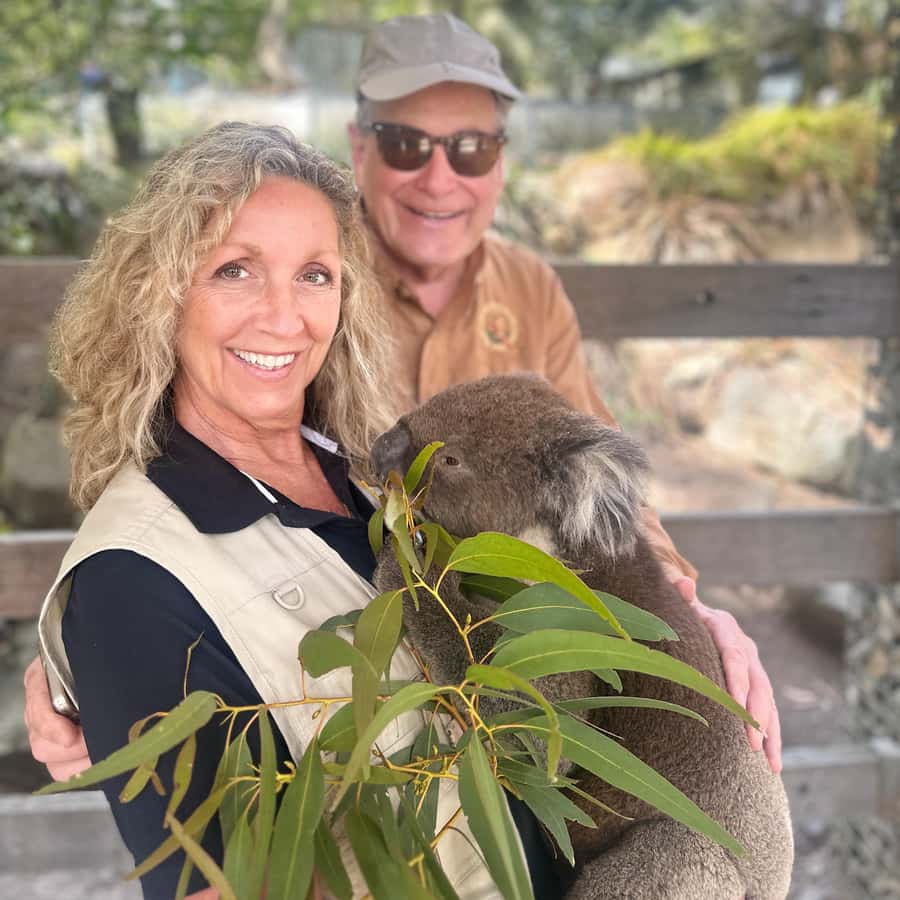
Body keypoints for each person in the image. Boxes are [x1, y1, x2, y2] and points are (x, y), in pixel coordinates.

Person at [27, 5, 779, 826]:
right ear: (360, 150)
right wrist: (95, 665)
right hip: (372, 722)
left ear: (500, 162)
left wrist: (686, 612)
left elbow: (598, 484)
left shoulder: (527, 289)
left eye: (471, 148)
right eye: (406, 145)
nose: (439, 177)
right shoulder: (308, 273)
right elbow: (177, 457)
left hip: (507, 693)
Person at [31, 122, 520, 899]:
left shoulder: (377, 476)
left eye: (314, 275)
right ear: (158, 293)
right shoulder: (130, 588)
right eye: (235, 270)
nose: (285, 316)